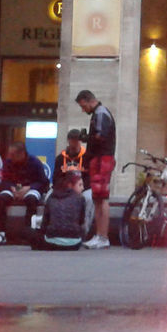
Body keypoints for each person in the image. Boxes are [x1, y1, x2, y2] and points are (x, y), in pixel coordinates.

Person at [75, 89, 115, 249]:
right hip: (100, 158)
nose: (82, 109)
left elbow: (100, 135)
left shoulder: (100, 113)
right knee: (98, 197)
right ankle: (100, 235)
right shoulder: (100, 113)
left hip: (102, 159)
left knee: (101, 197)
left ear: (88, 100)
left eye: (82, 105)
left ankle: (103, 236)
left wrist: (87, 138)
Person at [0, 142, 50, 245]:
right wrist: (11, 188)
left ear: (21, 154)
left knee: (32, 200)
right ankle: (1, 233)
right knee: (0, 200)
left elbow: (43, 181)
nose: (10, 157)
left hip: (29, 188)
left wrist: (29, 188)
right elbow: (3, 179)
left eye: (12, 155)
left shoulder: (35, 162)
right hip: (12, 188)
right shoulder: (8, 163)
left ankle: (28, 231)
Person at [35, 171, 89, 251]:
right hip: (74, 243)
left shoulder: (51, 197)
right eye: (80, 185)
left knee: (30, 233)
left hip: (51, 241)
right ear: (70, 185)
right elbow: (81, 221)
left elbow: (45, 223)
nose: (83, 188)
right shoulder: (80, 199)